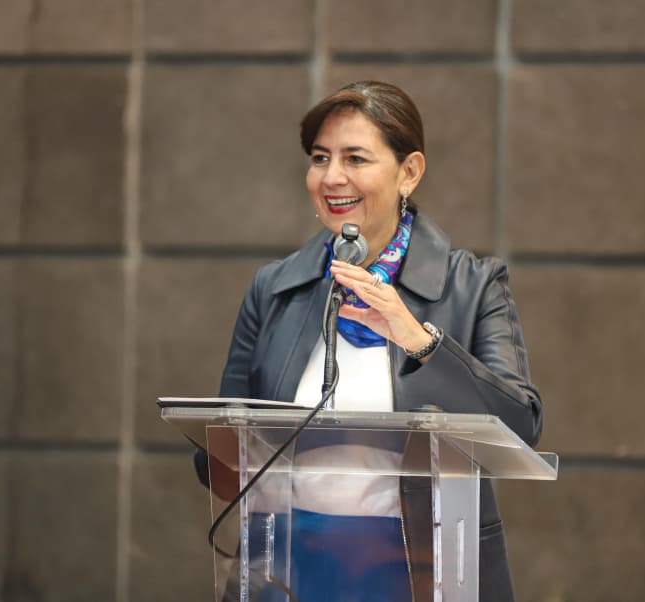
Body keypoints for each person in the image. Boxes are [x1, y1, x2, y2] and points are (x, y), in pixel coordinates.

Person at [195, 81, 543, 602]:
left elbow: (521, 427)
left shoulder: (473, 286)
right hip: (289, 568)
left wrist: (419, 340)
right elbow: (217, 458)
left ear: (409, 172)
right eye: (320, 158)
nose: (332, 177)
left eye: (355, 158)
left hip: (421, 571)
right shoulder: (275, 289)